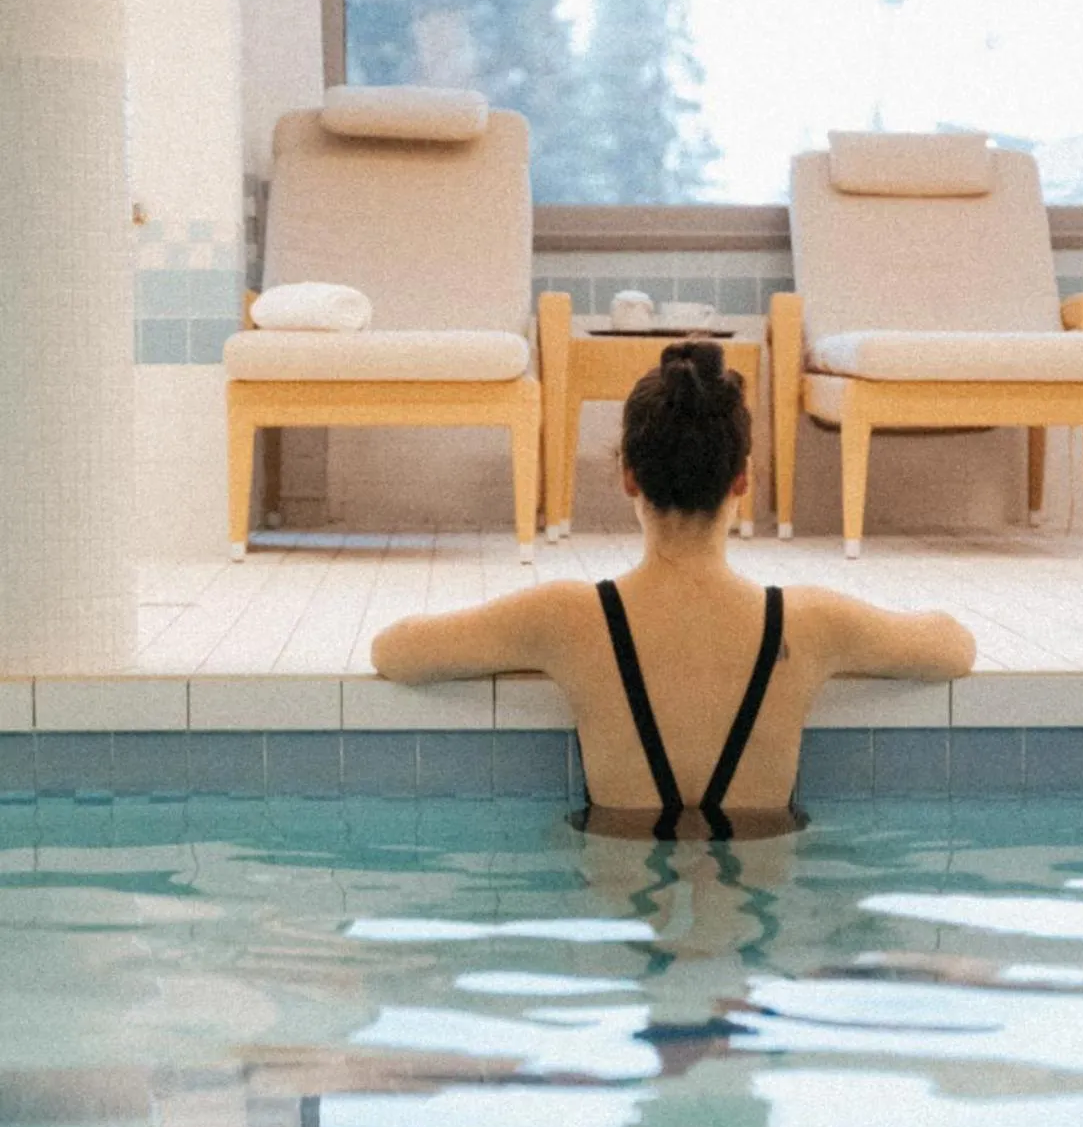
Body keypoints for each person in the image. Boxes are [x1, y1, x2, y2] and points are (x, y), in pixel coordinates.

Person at [372, 339, 975, 822]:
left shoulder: (564, 618)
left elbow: (395, 651)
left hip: (624, 910)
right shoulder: (810, 623)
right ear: (742, 480)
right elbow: (952, 646)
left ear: (629, 478)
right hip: (759, 916)